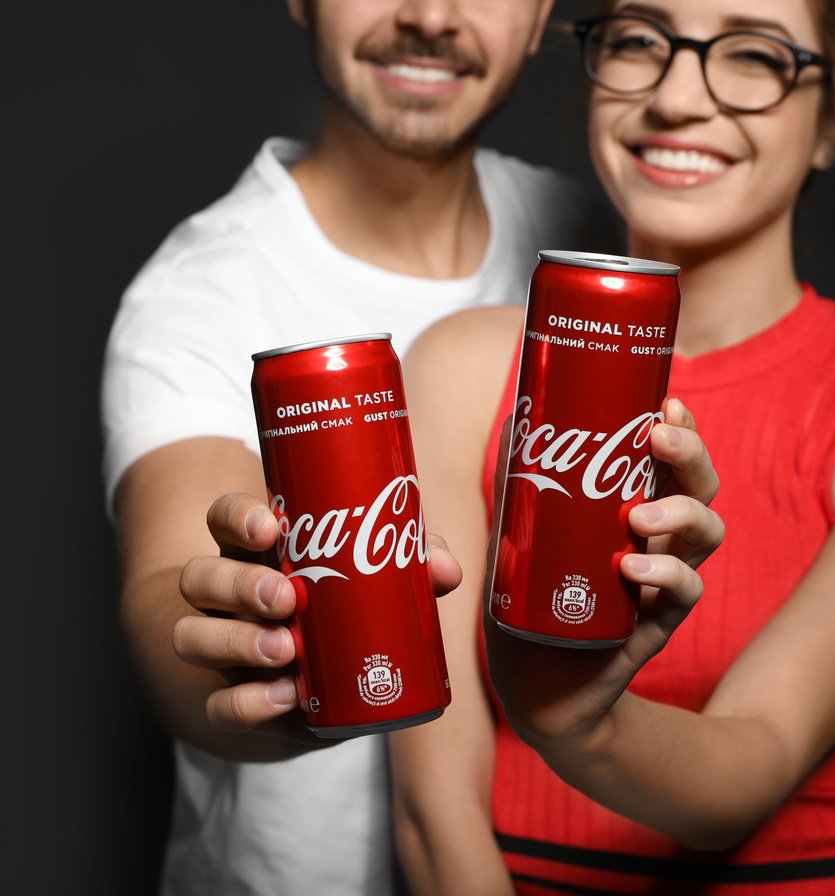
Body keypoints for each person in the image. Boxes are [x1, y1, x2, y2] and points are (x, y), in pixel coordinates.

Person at [389, 0, 835, 894]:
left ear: (831, 121)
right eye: (641, 40)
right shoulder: (462, 367)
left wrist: (575, 721)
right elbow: (433, 813)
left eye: (754, 54)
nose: (678, 95)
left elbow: (746, 769)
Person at [99, 1, 624, 892]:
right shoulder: (199, 290)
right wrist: (263, 669)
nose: (430, 16)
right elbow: (167, 587)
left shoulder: (585, 240)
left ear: (540, 17)